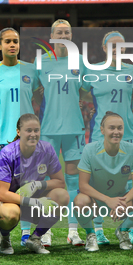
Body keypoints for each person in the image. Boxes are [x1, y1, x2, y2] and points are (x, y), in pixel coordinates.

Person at [0, 28, 41, 248]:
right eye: (7, 41)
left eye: (15, 41)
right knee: (2, 189)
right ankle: (3, 234)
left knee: (29, 186)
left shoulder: (30, 70)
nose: (12, 45)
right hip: (1, 137)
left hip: (28, 140)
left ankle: (26, 233)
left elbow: (39, 97)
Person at [81, 31, 133, 246]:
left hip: (127, 133)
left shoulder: (130, 70)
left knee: (129, 181)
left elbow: (132, 98)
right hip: (99, 134)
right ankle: (97, 229)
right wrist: (88, 102)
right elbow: (84, 92)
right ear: (104, 48)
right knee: (97, 182)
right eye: (112, 45)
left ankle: (127, 229)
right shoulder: (93, 70)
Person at [36, 19, 88, 247]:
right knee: (48, 182)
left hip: (74, 129)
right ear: (51, 37)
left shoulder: (81, 62)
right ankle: (45, 231)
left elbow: (86, 92)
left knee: (74, 181)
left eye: (67, 32)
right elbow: (34, 93)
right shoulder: (41, 62)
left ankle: (73, 231)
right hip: (48, 129)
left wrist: (89, 103)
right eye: (60, 33)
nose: (64, 36)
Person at [0, 114, 69, 254]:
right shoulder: (7, 153)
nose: (33, 134)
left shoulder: (47, 149)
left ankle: (35, 238)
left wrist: (37, 185)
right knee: (11, 214)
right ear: (18, 132)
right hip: (4, 201)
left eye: (36, 130)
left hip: (31, 200)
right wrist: (35, 202)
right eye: (28, 130)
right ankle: (5, 237)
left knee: (62, 196)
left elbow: (60, 182)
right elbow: (2, 194)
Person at [75, 112, 133, 251]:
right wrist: (108, 200)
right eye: (112, 128)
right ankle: (91, 235)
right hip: (96, 200)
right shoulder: (90, 149)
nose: (116, 132)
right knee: (79, 202)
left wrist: (124, 201)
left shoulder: (132, 150)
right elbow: (83, 185)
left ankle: (123, 230)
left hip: (122, 198)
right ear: (102, 130)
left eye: (120, 128)